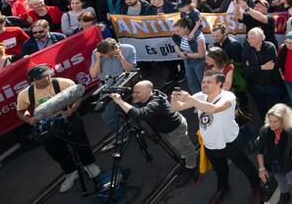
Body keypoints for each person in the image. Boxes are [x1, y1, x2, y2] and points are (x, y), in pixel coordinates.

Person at [172, 72, 262, 204]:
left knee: (245, 166)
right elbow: (176, 107)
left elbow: (214, 109)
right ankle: (223, 187)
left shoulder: (228, 97)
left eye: (209, 82)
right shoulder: (200, 96)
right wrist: (174, 98)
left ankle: (256, 187)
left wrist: (191, 100)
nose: (204, 84)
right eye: (203, 82)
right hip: (210, 144)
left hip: (230, 143)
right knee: (219, 170)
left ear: (219, 84)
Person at [16, 64, 101, 193]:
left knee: (81, 143)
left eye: (46, 75)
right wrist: (29, 120)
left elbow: (78, 96)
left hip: (68, 118)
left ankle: (89, 164)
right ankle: (71, 172)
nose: (45, 79)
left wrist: (72, 109)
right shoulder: (25, 95)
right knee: (56, 151)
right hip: (47, 124)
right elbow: (21, 111)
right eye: (40, 78)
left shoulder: (64, 83)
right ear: (32, 80)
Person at [107, 80, 199, 184]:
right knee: (179, 146)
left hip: (175, 129)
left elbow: (140, 114)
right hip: (168, 129)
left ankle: (191, 167)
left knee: (186, 148)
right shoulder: (146, 97)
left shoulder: (156, 102)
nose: (134, 95)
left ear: (148, 93)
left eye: (138, 93)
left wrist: (120, 102)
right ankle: (185, 159)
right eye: (134, 92)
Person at [256, 103, 292, 204]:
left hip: (289, 162)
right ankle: (285, 194)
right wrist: (262, 168)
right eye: (270, 121)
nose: (272, 124)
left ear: (284, 120)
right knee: (280, 180)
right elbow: (259, 150)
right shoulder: (264, 131)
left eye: (276, 121)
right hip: (273, 163)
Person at [89, 37, 137, 143]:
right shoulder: (97, 53)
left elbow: (132, 70)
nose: (106, 57)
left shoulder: (129, 49)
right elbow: (93, 75)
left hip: (125, 85)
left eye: (109, 54)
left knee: (132, 109)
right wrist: (98, 59)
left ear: (116, 48)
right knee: (108, 115)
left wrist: (121, 58)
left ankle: (136, 128)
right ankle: (121, 136)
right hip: (107, 88)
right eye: (103, 55)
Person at [243, 27, 282, 118]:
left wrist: (253, 68)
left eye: (252, 38)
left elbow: (271, 67)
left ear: (260, 38)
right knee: (261, 109)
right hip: (256, 85)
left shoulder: (270, 47)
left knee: (277, 109)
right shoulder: (247, 48)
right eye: (248, 38)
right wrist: (262, 67)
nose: (249, 40)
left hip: (272, 84)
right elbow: (245, 69)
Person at [170, 18, 205, 94]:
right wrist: (180, 53)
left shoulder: (198, 37)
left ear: (186, 27)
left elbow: (201, 54)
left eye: (178, 31)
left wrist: (186, 54)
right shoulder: (178, 36)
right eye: (175, 31)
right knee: (192, 83)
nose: (176, 33)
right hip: (187, 61)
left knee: (203, 83)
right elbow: (176, 46)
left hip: (199, 63)